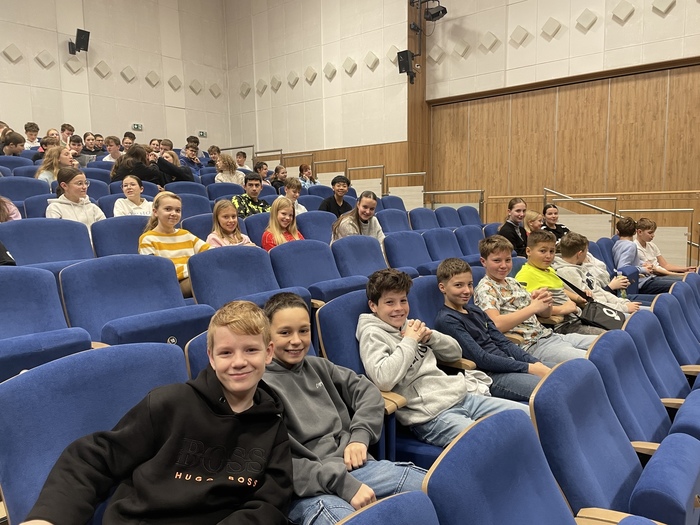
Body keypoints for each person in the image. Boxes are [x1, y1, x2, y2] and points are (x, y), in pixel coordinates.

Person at [19, 300, 293, 525]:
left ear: (268, 352)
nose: (239, 362)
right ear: (210, 357)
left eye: (251, 350)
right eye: (226, 353)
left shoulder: (273, 419)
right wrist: (49, 518)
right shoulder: (170, 403)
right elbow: (95, 458)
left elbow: (271, 499)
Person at [263, 292, 426, 525]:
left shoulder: (318, 366)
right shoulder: (260, 387)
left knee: (434, 486)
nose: (296, 340)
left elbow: (367, 391)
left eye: (304, 330)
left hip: (352, 467)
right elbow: (279, 466)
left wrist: (360, 436)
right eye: (285, 332)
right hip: (307, 489)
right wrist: (343, 484)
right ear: (267, 336)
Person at [357, 268, 529, 448]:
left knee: (528, 416)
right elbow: (383, 380)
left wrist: (431, 338)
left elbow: (455, 353)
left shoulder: (408, 325)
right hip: (431, 415)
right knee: (492, 442)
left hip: (460, 396)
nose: (399, 308)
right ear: (373, 306)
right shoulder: (372, 334)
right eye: (389, 302)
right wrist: (410, 341)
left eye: (403, 301)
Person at [434, 258, 552, 401]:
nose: (467, 291)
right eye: (458, 285)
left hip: (507, 363)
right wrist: (528, 367)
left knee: (564, 372)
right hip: (489, 375)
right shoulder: (447, 320)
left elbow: (504, 342)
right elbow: (481, 358)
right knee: (551, 387)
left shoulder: (475, 310)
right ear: (442, 288)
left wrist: (534, 362)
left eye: (470, 284)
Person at [474, 235, 597, 363]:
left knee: (607, 343)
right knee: (593, 359)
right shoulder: (485, 289)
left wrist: (545, 301)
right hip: (530, 345)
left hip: (549, 335)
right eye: (497, 261)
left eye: (508, 260)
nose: (504, 265)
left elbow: (545, 315)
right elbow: (496, 325)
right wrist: (533, 308)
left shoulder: (512, 282)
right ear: (483, 262)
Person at [514, 230, 605, 336]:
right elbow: (527, 308)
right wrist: (562, 309)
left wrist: (577, 297)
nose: (548, 256)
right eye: (543, 251)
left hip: (578, 317)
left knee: (616, 327)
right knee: (609, 337)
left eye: (552, 251)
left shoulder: (548, 270)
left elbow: (560, 289)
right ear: (528, 251)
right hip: (561, 326)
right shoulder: (525, 276)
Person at [139, 191, 210, 298]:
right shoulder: (147, 239)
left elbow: (211, 252)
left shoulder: (185, 234)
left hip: (193, 277)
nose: (174, 213)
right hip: (171, 285)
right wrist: (189, 270)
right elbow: (154, 271)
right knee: (203, 278)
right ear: (155, 212)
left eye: (178, 210)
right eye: (168, 209)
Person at [553, 232, 642, 315]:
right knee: (643, 316)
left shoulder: (579, 266)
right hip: (602, 313)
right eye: (586, 251)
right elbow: (591, 302)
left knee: (644, 310)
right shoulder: (567, 272)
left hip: (611, 306)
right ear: (579, 254)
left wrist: (623, 303)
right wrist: (624, 308)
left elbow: (600, 291)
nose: (587, 254)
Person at [613, 217, 680, 295]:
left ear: (617, 232)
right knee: (679, 285)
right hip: (640, 283)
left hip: (643, 280)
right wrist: (643, 269)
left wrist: (642, 264)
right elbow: (623, 268)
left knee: (679, 283)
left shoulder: (617, 244)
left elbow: (631, 262)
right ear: (635, 232)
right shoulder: (631, 246)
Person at [46, 167, 105, 234]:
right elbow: (56, 234)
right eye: (79, 183)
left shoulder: (92, 207)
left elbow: (104, 230)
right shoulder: (55, 208)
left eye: (86, 183)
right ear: (64, 186)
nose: (84, 187)